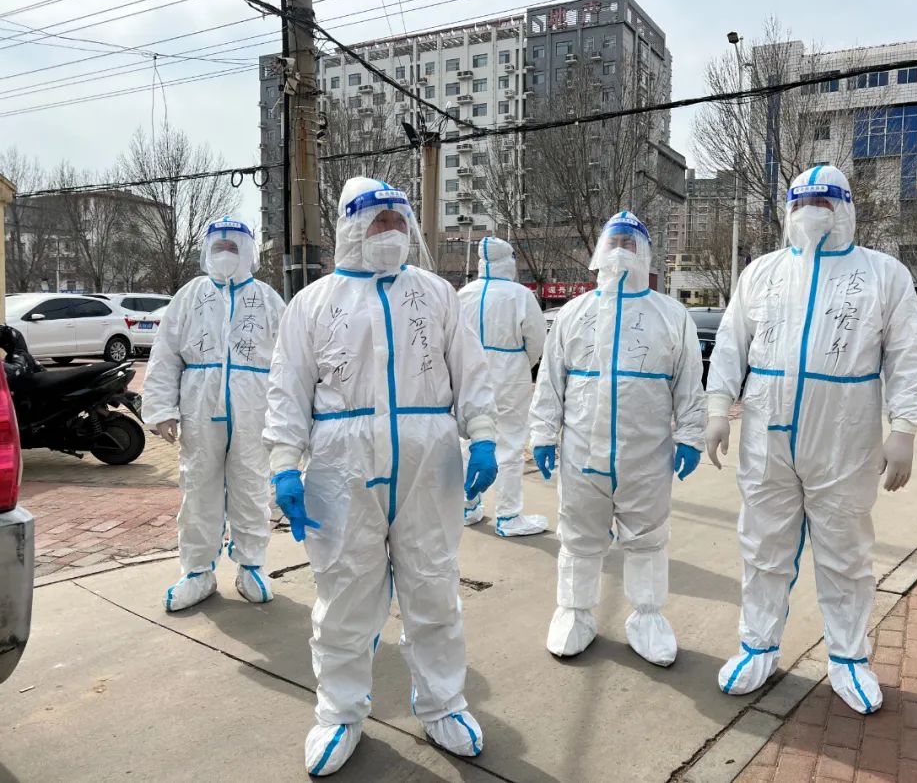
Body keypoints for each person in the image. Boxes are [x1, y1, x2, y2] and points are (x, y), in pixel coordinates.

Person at [263, 177, 499, 776]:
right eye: (378, 222)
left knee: (433, 585)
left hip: (429, 462)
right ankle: (339, 712)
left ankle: (442, 703)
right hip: (342, 467)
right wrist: (284, 465)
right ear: (350, 227)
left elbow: (471, 371)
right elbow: (288, 390)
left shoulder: (436, 294)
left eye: (397, 221)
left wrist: (483, 436)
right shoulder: (313, 303)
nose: (390, 232)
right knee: (344, 593)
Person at [705, 165, 917, 715]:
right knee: (762, 547)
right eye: (802, 202)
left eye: (825, 202)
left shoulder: (882, 274)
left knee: (845, 552)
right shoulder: (762, 272)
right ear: (788, 210)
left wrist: (904, 428)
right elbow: (732, 344)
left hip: (844, 437)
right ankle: (757, 646)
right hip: (766, 433)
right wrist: (716, 408)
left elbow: (908, 353)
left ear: (847, 208)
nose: (812, 212)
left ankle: (849, 657)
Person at [530, 210, 706, 667]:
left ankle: (647, 617)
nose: (621, 250)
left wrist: (691, 435)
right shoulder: (575, 313)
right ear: (599, 252)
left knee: (647, 538)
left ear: (646, 254)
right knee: (579, 535)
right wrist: (543, 432)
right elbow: (551, 379)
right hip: (581, 454)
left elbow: (689, 382)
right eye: (615, 242)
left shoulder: (671, 315)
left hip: (646, 454)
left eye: (631, 243)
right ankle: (574, 612)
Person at [142, 217, 285, 612]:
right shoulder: (190, 295)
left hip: (254, 405)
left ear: (248, 252)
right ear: (206, 251)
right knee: (198, 488)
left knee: (251, 485)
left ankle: (251, 566)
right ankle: (197, 571)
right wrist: (162, 410)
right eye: (218, 247)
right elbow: (166, 354)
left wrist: (288, 415)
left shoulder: (268, 300)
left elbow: (289, 362)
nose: (225, 254)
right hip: (199, 404)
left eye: (233, 247)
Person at [458, 236, 548, 537]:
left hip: (470, 374)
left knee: (469, 440)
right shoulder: (520, 295)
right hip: (509, 374)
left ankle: (467, 505)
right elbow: (536, 339)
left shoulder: (464, 294)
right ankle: (508, 515)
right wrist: (523, 363)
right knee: (509, 442)